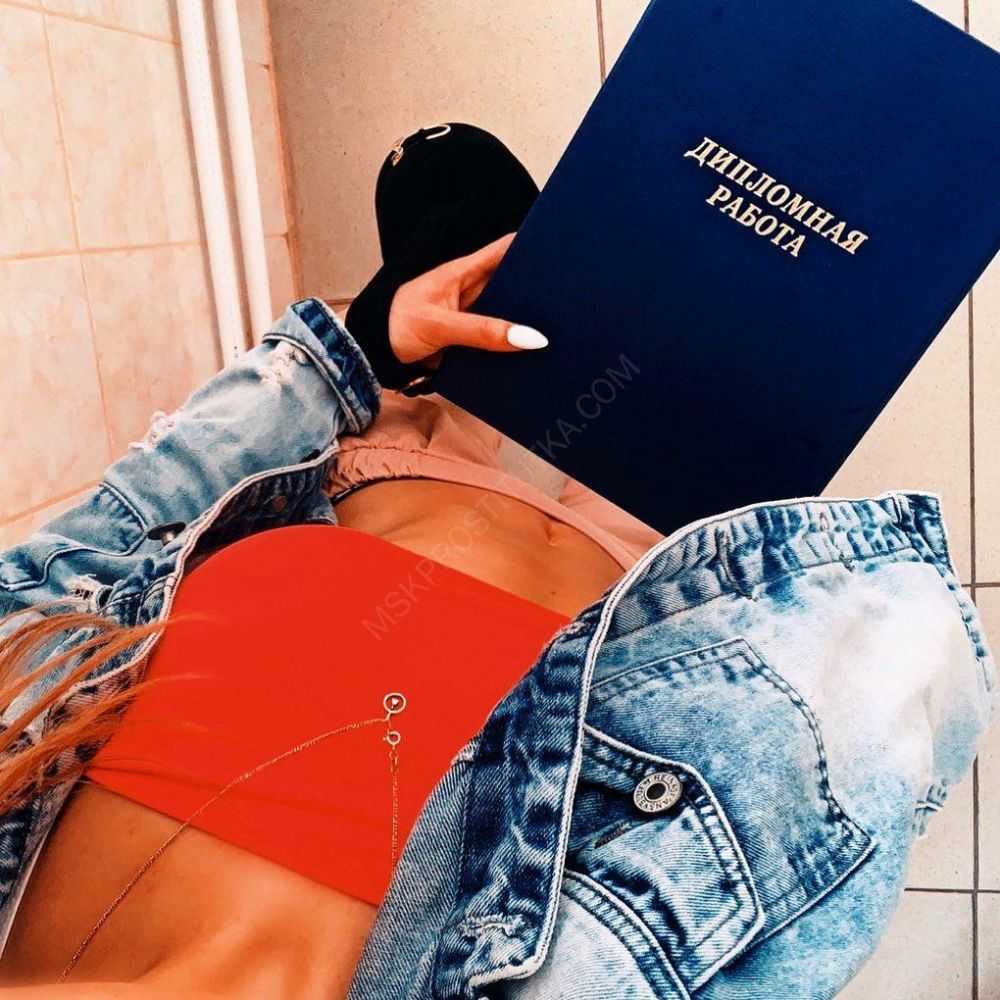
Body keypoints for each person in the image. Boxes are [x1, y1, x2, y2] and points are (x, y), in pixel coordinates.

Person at [0, 126, 994, 1000]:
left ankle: (475, 311)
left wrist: (364, 344)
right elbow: (853, 750)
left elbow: (77, 560)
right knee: (716, 308)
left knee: (486, 254)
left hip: (399, 461)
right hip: (642, 564)